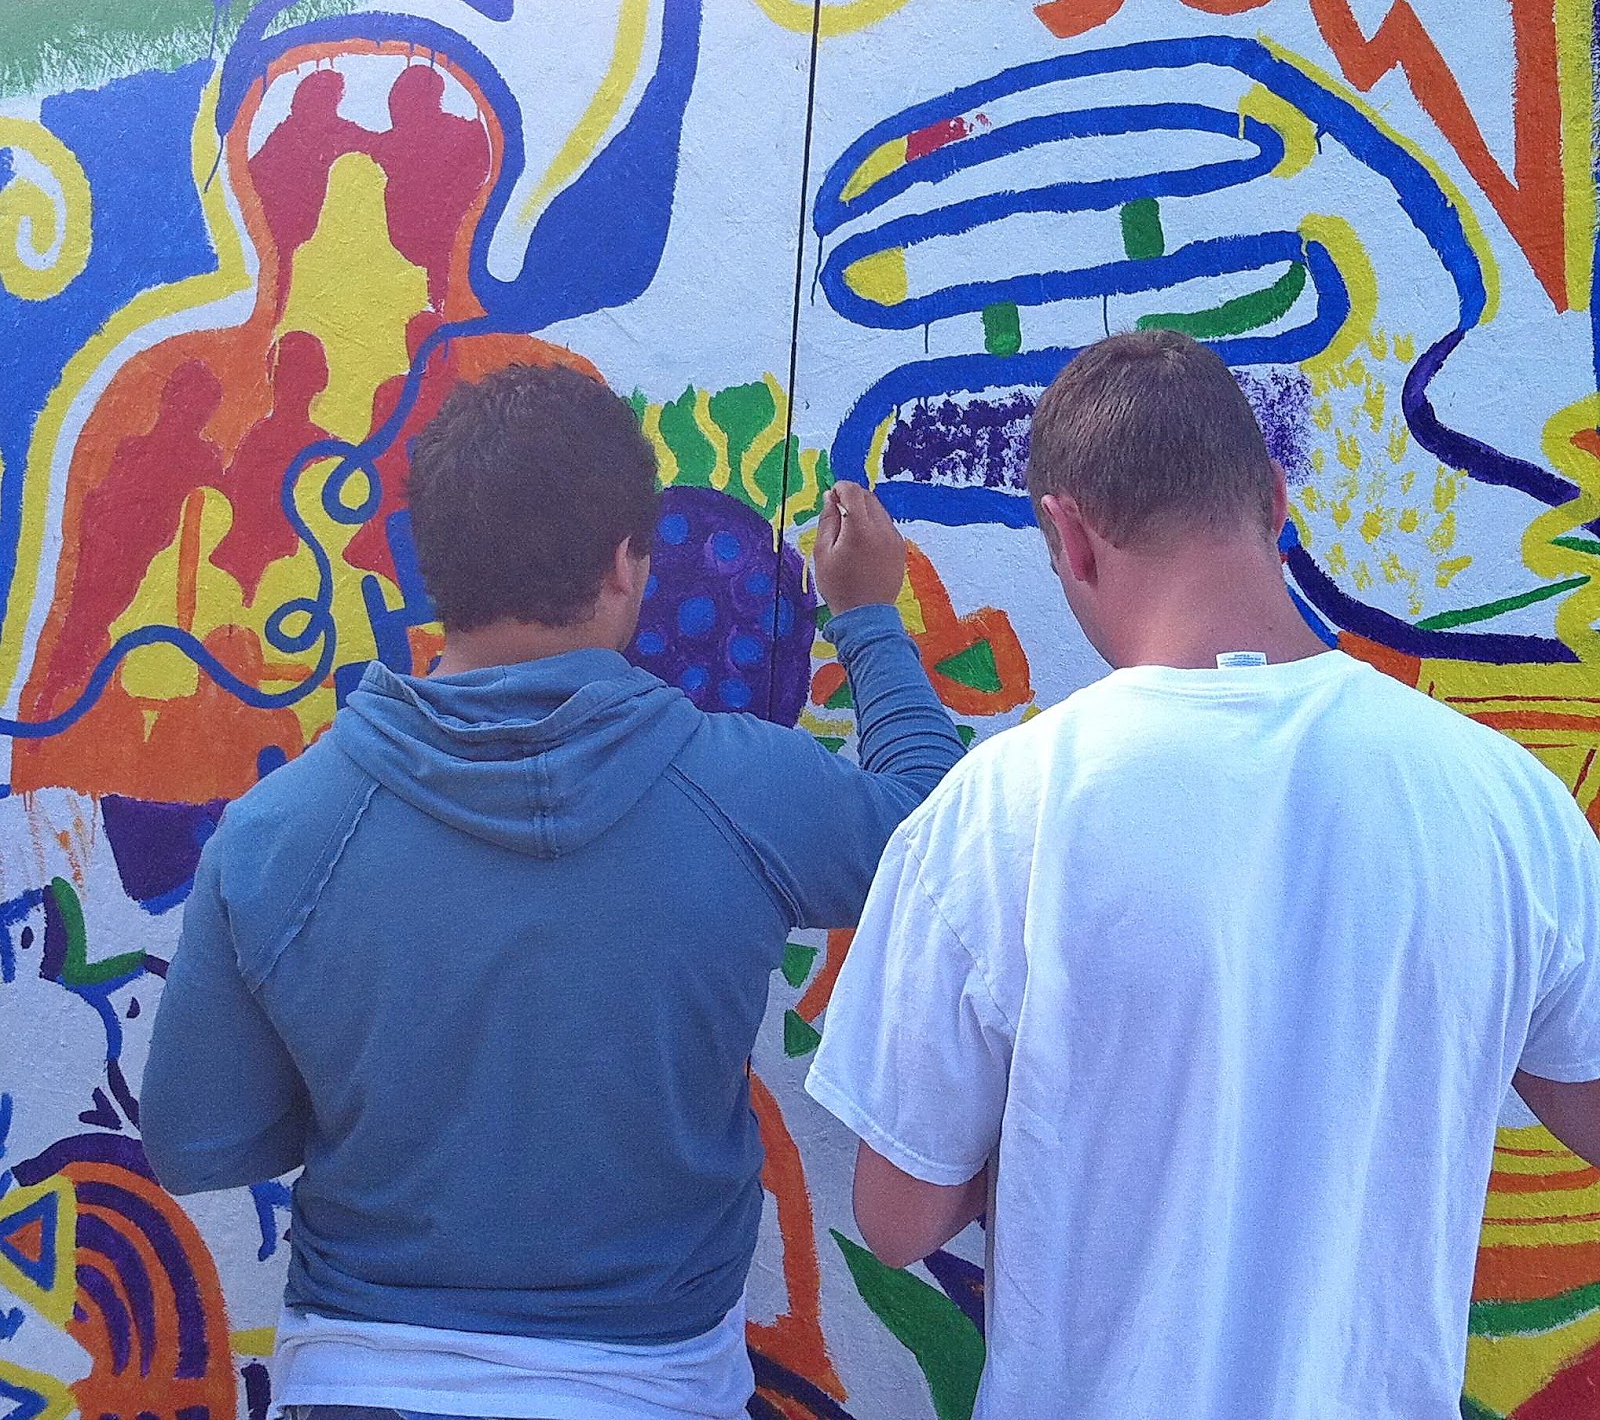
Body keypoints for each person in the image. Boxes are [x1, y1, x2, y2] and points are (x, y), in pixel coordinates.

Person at [140, 362, 964, 1420]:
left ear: (431, 567)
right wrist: (867, 617)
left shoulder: (277, 834)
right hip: (656, 1386)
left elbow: (196, 1138)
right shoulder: (744, 790)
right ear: (625, 563)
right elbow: (938, 827)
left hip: (357, 1379)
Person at [805, 329, 1600, 1418]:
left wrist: (1071, 1139)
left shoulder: (996, 815)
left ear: (1068, 536)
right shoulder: (1507, 804)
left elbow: (898, 1216)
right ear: (1274, 498)